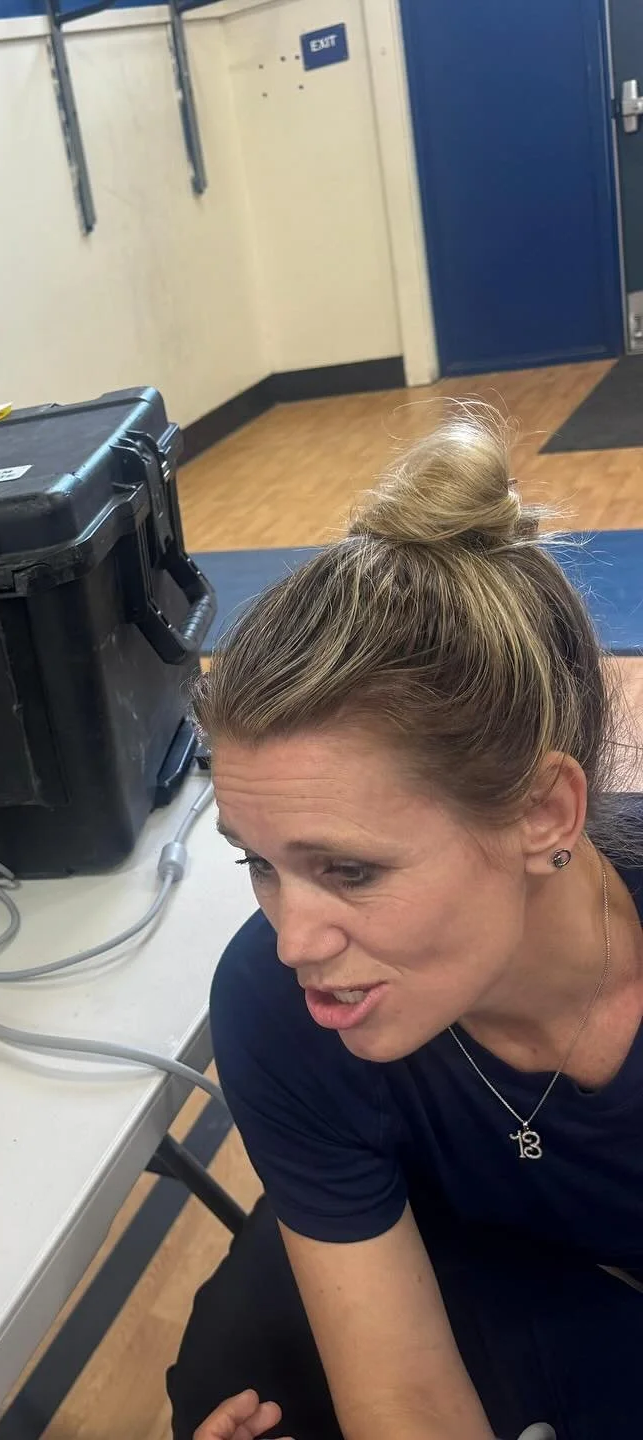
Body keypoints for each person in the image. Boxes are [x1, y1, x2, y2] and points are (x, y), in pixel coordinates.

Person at [167, 405, 643, 1440]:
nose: (296, 942)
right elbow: (407, 1400)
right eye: (261, 866)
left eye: (349, 869)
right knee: (242, 1374)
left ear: (542, 815)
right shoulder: (275, 1000)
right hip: (472, 1235)